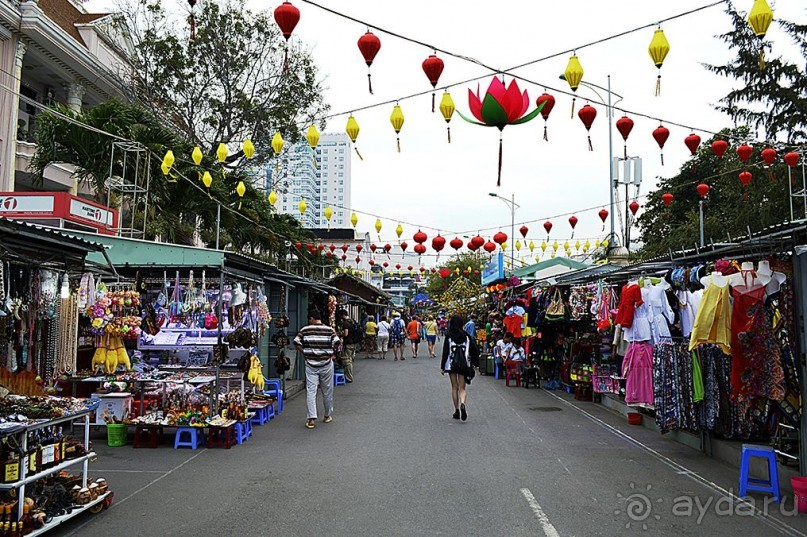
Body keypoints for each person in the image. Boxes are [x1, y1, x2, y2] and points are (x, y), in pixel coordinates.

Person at [293, 309, 340, 429]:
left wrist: (304, 351)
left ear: (312, 319)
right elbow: (337, 343)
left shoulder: (305, 330)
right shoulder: (330, 330)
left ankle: (311, 419)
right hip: (326, 364)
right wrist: (332, 352)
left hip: (310, 364)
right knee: (327, 391)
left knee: (311, 391)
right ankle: (327, 415)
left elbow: (296, 342)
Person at [441, 315, 479, 421]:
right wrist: (475, 363)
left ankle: (457, 410)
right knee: (462, 388)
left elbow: (445, 352)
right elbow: (474, 350)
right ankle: (463, 403)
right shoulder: (466, 336)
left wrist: (442, 366)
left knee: (454, 387)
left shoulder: (449, 336)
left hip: (451, 364)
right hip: (464, 364)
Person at [336, 310, 359, 383]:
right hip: (353, 343)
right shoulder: (352, 321)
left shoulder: (346, 323)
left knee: (346, 360)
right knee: (350, 360)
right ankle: (349, 376)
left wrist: (339, 334)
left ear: (342, 315)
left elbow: (346, 334)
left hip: (348, 343)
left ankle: (349, 377)